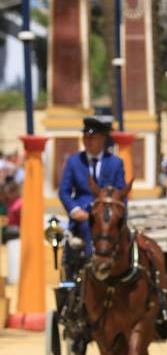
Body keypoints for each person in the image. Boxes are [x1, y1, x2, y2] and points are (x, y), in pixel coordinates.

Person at [58, 115, 127, 273]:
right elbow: (64, 191)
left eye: (92, 137)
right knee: (91, 227)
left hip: (110, 215)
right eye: (85, 137)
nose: (87, 141)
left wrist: (118, 215)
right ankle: (95, 267)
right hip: (84, 217)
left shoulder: (115, 163)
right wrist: (75, 210)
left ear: (103, 139)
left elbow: (122, 192)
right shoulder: (74, 161)